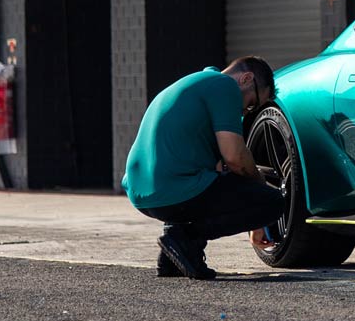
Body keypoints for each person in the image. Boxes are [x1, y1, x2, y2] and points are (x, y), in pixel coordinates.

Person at [122, 56, 286, 279]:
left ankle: (172, 258)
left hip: (142, 194)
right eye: (251, 104)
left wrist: (253, 221)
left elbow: (219, 172)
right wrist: (261, 193)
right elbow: (235, 157)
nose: (246, 112)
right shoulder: (224, 85)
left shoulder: (197, 83)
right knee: (274, 202)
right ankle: (185, 239)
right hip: (173, 190)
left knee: (207, 185)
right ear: (247, 79)